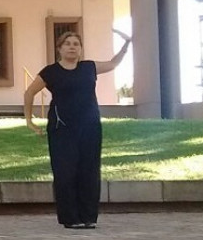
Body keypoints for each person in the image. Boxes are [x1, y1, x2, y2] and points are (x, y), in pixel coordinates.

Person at [24, 30, 131, 229]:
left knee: (89, 171)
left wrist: (126, 45)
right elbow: (29, 92)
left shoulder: (89, 67)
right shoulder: (50, 72)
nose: (72, 47)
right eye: (68, 43)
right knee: (65, 172)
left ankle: (88, 217)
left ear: (81, 49)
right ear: (59, 48)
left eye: (76, 44)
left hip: (90, 127)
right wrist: (29, 121)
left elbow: (113, 63)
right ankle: (70, 218)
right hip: (62, 128)